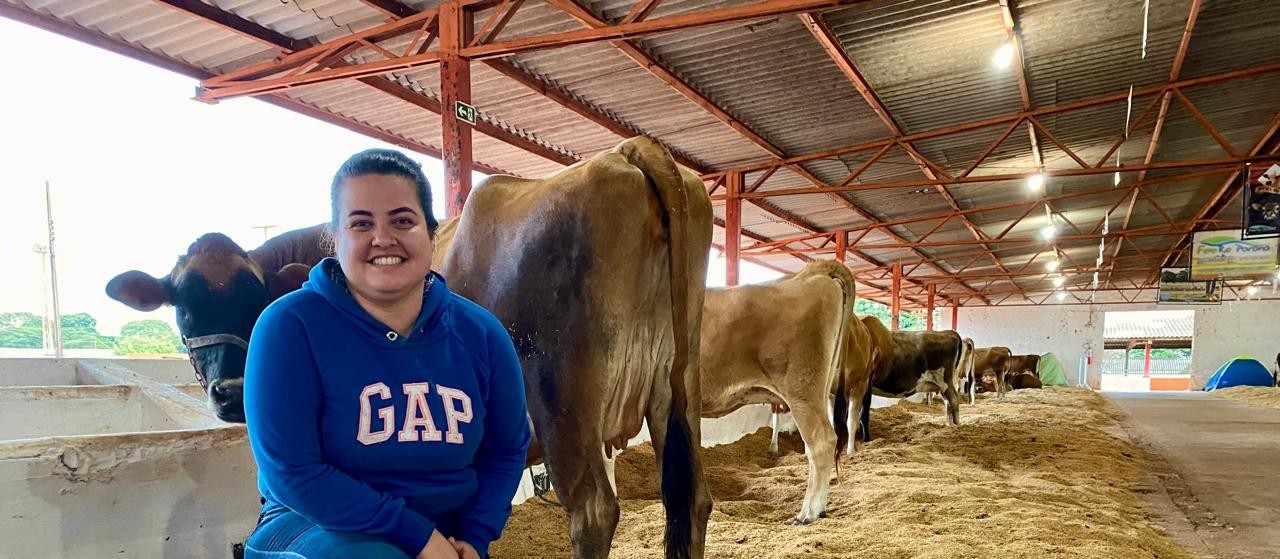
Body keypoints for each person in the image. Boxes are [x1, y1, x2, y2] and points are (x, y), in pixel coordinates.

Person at [243, 149, 531, 559]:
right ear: (336, 238)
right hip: (314, 526)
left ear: (431, 234)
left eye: (402, 221)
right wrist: (419, 538)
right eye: (361, 223)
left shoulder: (482, 333)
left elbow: (506, 448)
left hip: (445, 536)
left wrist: (475, 536)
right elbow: (294, 472)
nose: (383, 238)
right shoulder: (290, 327)